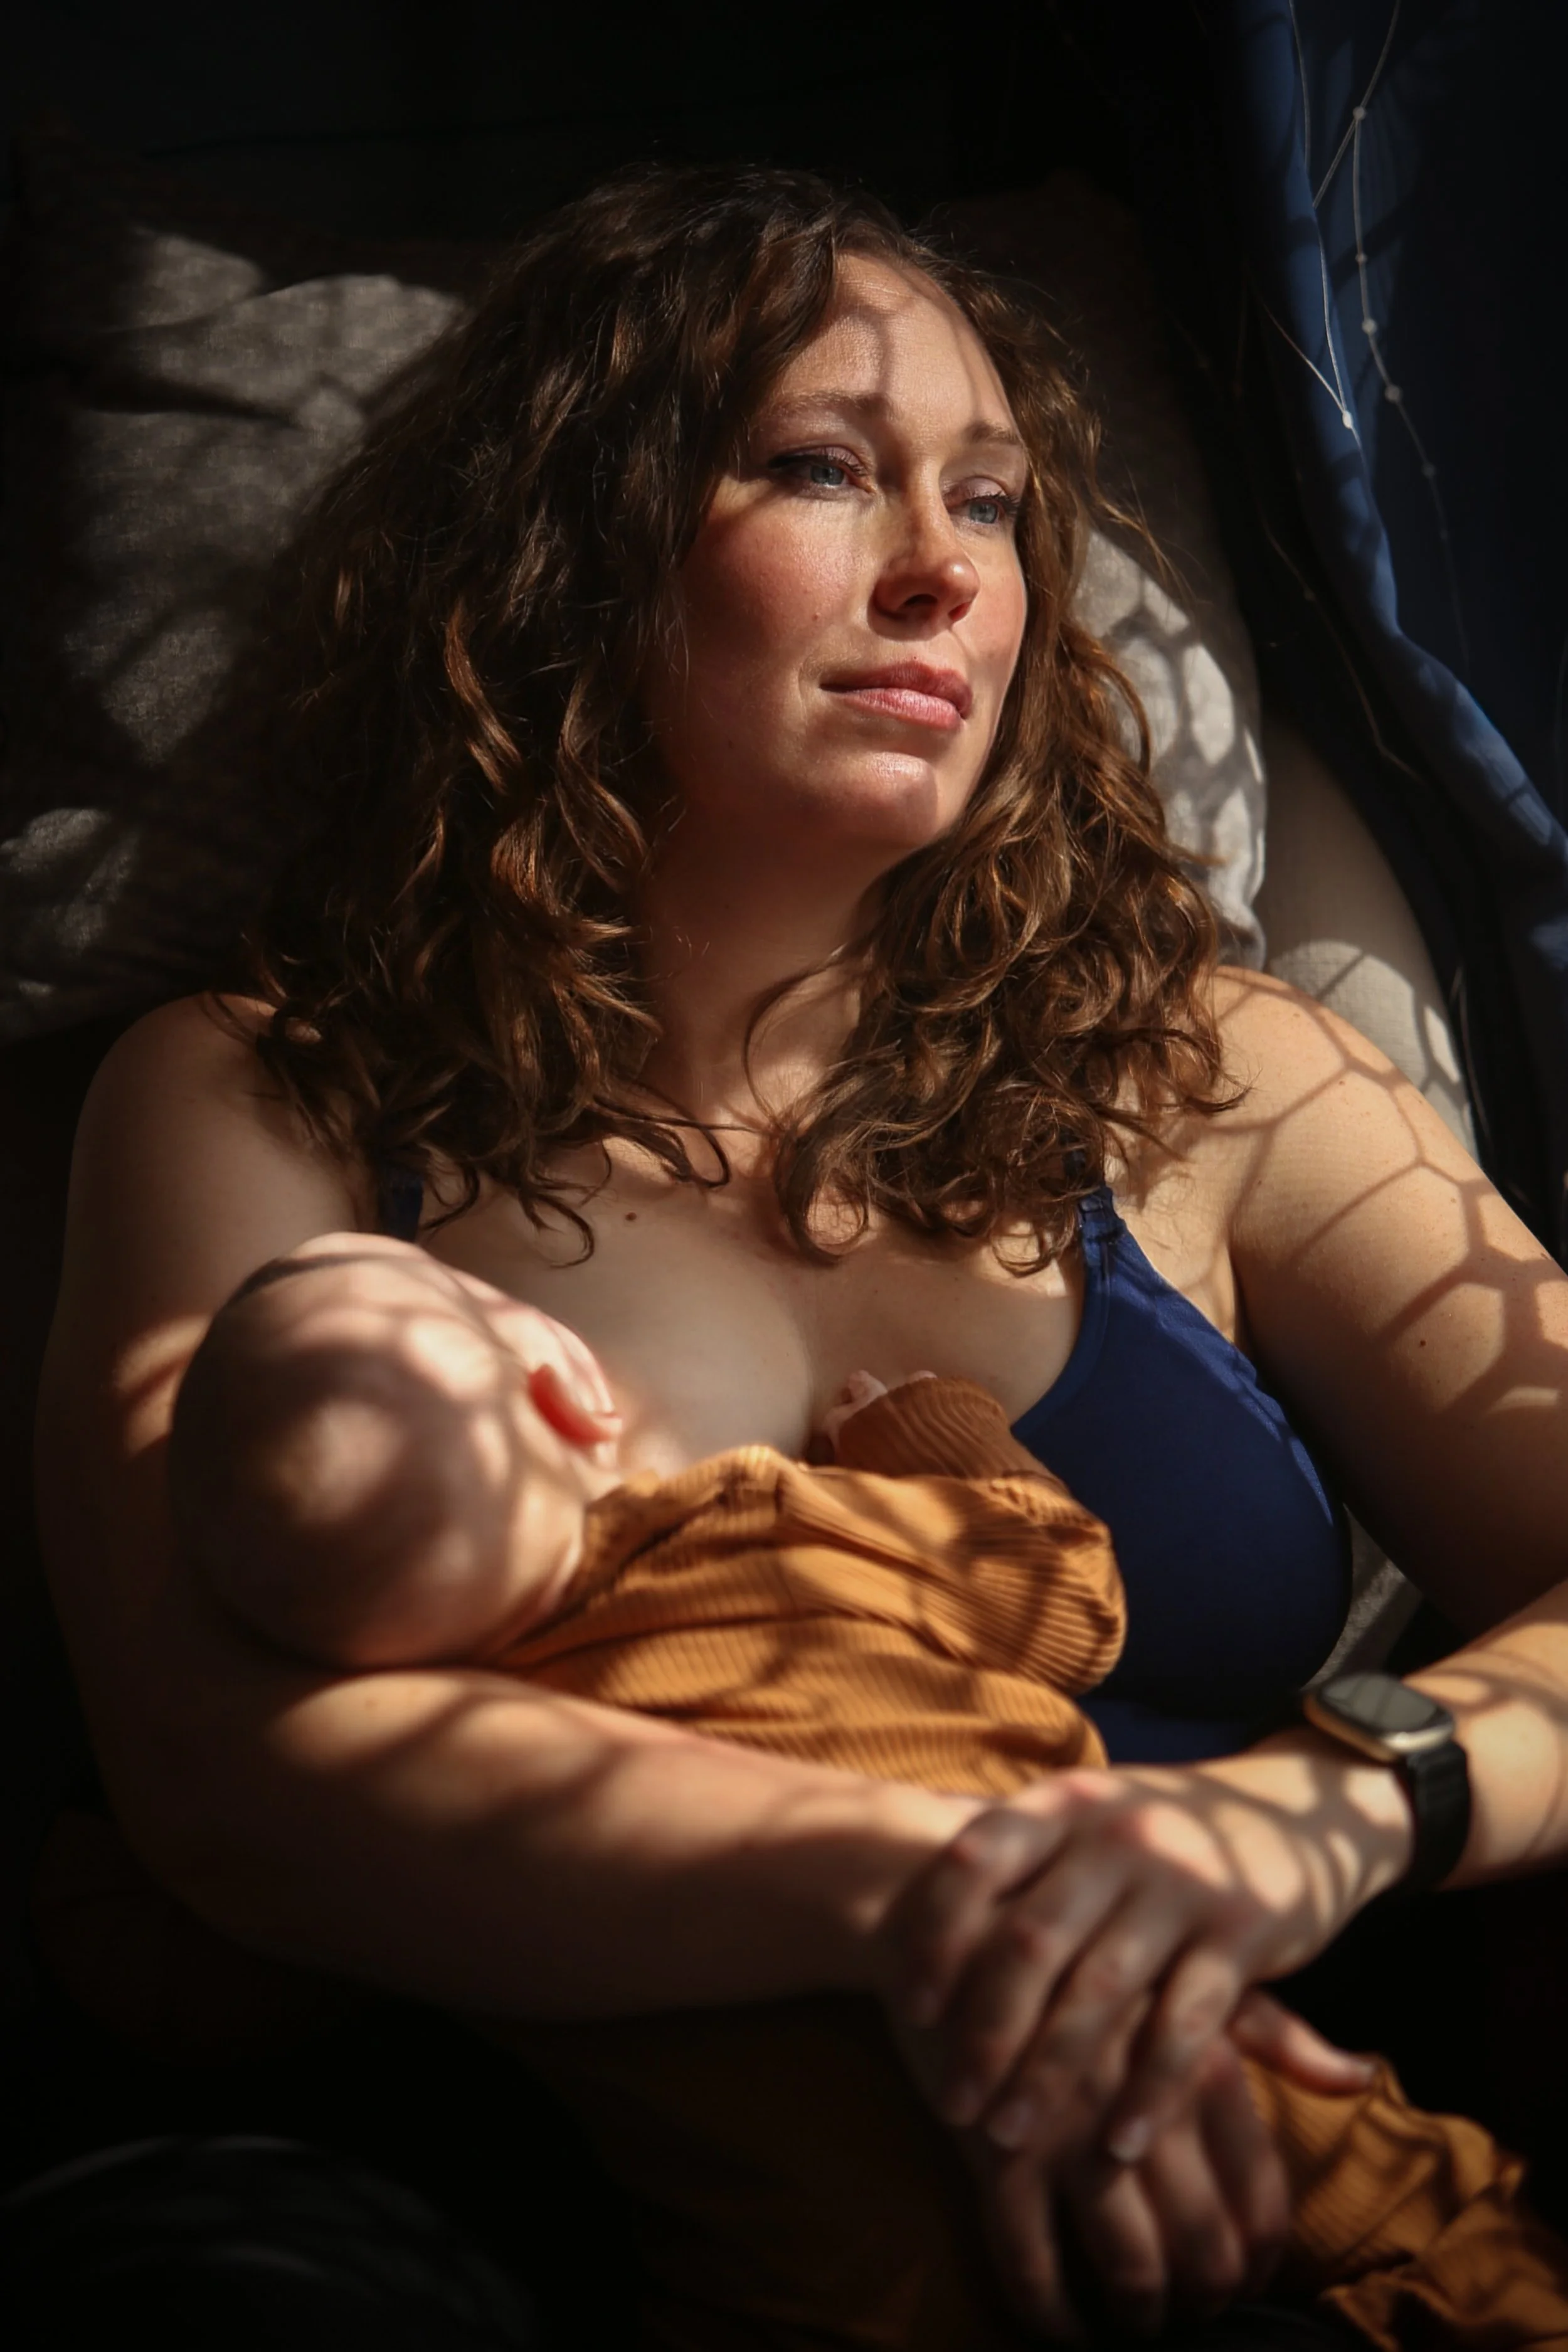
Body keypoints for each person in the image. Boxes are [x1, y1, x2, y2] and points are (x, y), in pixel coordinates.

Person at [34, 162, 1568, 2344]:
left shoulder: (1207, 1067)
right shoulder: (264, 1096)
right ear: (579, 544)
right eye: (826, 472)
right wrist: (942, 1904)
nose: (946, 571)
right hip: (558, 2239)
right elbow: (220, 1787)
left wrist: (1320, 1820)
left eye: (998, 500)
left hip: (1245, 2165)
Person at [167, 1241, 1568, 2351]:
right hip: (1174, 2071)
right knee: (1419, 2229)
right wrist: (931, 1429)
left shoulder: (463, 1808)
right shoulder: (748, 1534)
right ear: (572, 1391)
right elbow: (1061, 1592)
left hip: (822, 2289)